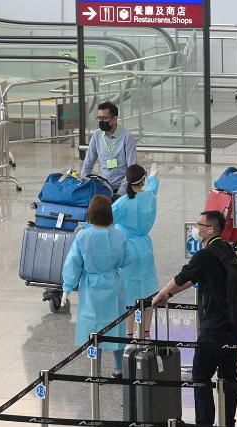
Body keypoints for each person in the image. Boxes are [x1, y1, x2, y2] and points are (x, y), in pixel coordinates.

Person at [150, 211, 237, 427]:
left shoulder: (205, 255)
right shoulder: (227, 249)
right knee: (229, 376)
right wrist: (169, 296)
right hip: (233, 324)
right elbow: (194, 278)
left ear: (210, 230)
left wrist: (161, 293)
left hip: (213, 327)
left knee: (200, 376)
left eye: (200, 224)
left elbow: (183, 276)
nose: (196, 227)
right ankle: (228, 424)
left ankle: (205, 426)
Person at [62, 195, 130, 377]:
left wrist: (67, 287)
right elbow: (125, 260)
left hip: (91, 288)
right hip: (114, 286)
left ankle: (95, 370)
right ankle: (118, 368)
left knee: (92, 330)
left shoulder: (82, 236)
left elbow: (73, 263)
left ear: (90, 214)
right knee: (116, 326)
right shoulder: (118, 235)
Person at [112, 163, 160, 338]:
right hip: (145, 250)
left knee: (129, 297)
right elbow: (153, 189)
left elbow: (104, 220)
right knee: (148, 295)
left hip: (128, 251)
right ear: (143, 180)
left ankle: (130, 335)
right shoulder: (149, 197)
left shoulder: (121, 203)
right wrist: (154, 176)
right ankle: (146, 333)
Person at [81, 102, 137, 197]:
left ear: (115, 119)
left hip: (123, 188)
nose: (101, 121)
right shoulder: (97, 135)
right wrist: (82, 183)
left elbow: (132, 169)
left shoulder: (127, 137)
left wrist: (120, 193)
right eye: (99, 118)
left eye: (104, 118)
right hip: (104, 187)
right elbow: (88, 162)